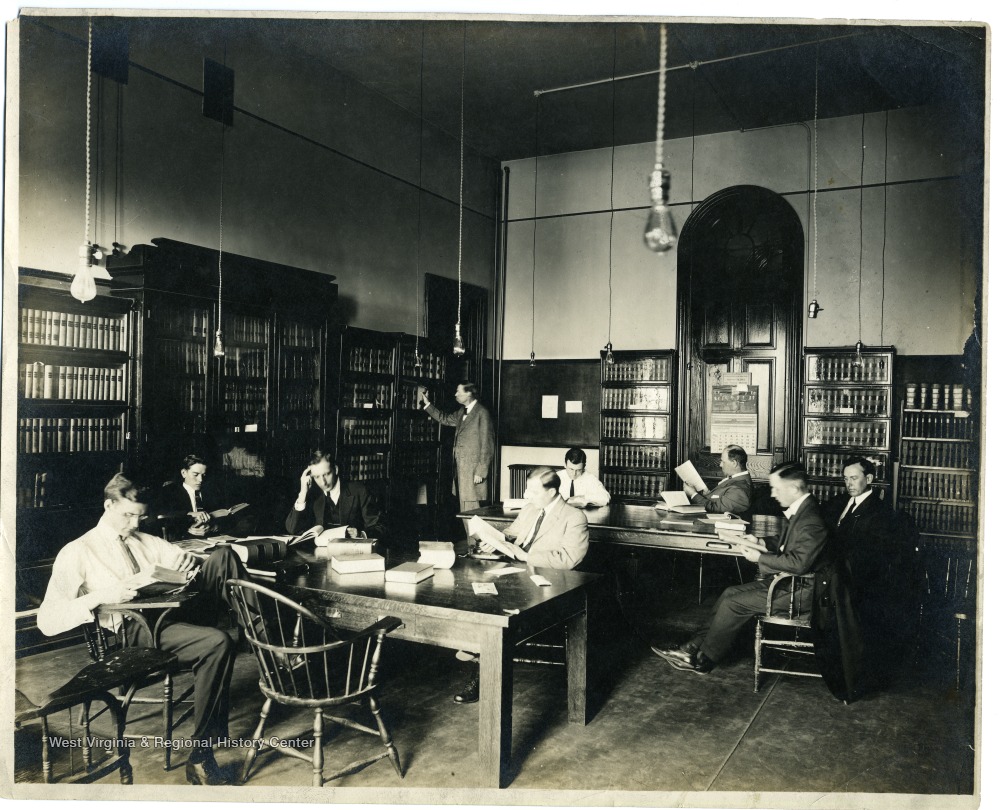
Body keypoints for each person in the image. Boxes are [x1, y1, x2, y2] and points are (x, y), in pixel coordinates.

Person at [37, 474, 250, 785]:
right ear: (108, 505)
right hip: (132, 632)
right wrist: (104, 595)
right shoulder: (78, 550)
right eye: (128, 515)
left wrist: (188, 563)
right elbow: (47, 620)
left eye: (140, 516)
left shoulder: (144, 540)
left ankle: (268, 641)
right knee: (217, 642)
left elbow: (182, 560)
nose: (135, 523)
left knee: (223, 557)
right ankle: (200, 756)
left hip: (170, 615)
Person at [652, 461, 827, 674]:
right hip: (790, 583)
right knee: (729, 593)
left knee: (734, 603)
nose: (773, 494)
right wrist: (760, 541)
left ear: (793, 488)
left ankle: (704, 659)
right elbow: (791, 541)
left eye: (776, 488)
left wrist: (760, 557)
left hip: (801, 592)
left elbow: (799, 563)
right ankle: (692, 647)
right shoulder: (805, 509)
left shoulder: (811, 519)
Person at [455, 466, 590, 704]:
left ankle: (479, 661)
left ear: (551, 492)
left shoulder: (574, 517)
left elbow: (569, 560)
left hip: (546, 583)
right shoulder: (530, 509)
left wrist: (525, 556)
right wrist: (495, 540)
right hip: (514, 573)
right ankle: (475, 646)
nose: (527, 495)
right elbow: (511, 533)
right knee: (477, 592)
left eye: (533, 491)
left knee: (496, 609)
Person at [418, 381, 495, 512]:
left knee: (472, 510)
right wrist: (427, 404)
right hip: (461, 470)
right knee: (465, 509)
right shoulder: (461, 412)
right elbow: (444, 418)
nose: (455, 394)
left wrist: (481, 471)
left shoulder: (482, 413)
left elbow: (487, 445)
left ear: (469, 393)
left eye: (458, 391)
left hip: (473, 472)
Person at [285, 450, 386, 538]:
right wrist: (302, 493)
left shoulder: (359, 490)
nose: (323, 482)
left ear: (336, 469)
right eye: (317, 477)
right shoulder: (312, 494)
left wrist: (361, 534)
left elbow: (380, 527)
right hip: (319, 552)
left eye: (326, 474)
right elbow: (292, 529)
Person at [683, 444, 754, 520]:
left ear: (734, 463)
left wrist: (693, 494)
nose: (720, 465)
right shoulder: (736, 480)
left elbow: (715, 509)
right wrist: (708, 494)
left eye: (723, 462)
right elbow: (722, 500)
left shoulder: (739, 489)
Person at [156, 454, 219, 538]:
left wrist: (212, 527)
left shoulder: (212, 491)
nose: (200, 480)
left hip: (210, 539)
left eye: (203, 475)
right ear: (184, 473)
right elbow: (161, 517)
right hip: (181, 539)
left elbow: (223, 519)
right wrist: (189, 515)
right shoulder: (169, 492)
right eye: (195, 475)